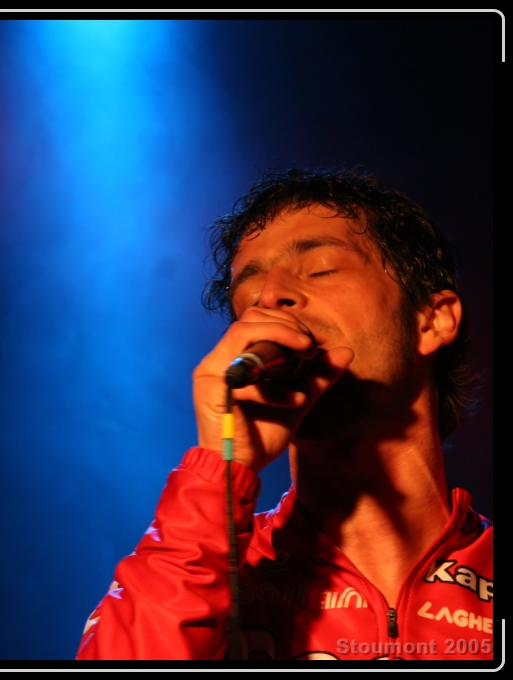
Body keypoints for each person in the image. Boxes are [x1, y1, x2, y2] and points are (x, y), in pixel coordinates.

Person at [75, 168, 493, 661]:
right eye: (250, 289)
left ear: (431, 320)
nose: (271, 295)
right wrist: (219, 472)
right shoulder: (212, 569)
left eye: (320, 269)